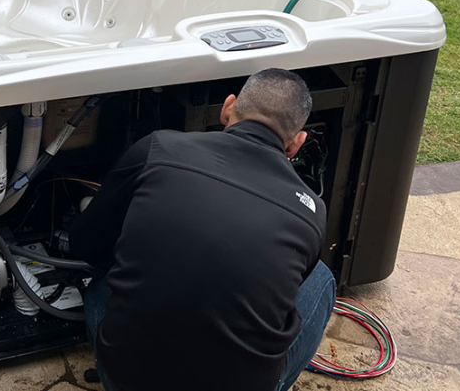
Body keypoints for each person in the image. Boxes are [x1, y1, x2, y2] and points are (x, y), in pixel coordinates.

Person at [70, 68, 336, 391]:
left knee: (101, 285)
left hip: (127, 380)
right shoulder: (311, 211)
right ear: (296, 144)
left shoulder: (158, 148)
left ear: (227, 108)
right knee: (321, 277)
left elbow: (85, 245)